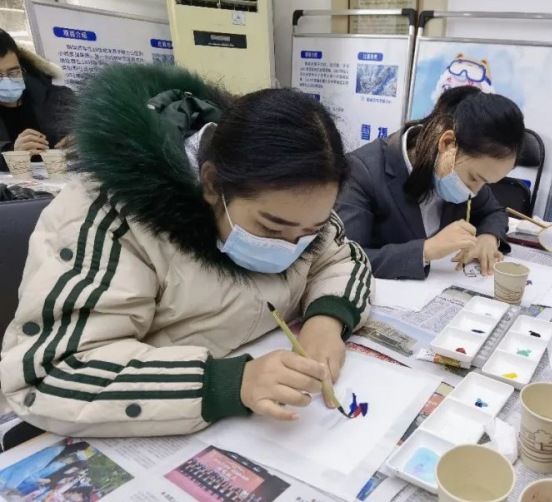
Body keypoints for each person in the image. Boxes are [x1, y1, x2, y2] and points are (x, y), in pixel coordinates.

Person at [0, 63, 372, 437]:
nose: (290, 246)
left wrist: (326, 321)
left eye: (311, 230)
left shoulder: (298, 207)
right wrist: (227, 383)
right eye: (271, 228)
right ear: (212, 183)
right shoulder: (112, 215)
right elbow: (48, 373)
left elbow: (341, 258)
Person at [336, 86, 524, 280]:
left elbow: (494, 212)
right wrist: (426, 251)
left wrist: (488, 237)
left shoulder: (464, 171)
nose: (474, 192)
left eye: (485, 183)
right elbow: (344, 260)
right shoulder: (362, 171)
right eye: (474, 178)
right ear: (447, 143)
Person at [0, 29, 74, 167]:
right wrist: (11, 154)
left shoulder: (58, 98)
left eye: (13, 72)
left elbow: (100, 136)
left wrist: (85, 141)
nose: (6, 81)